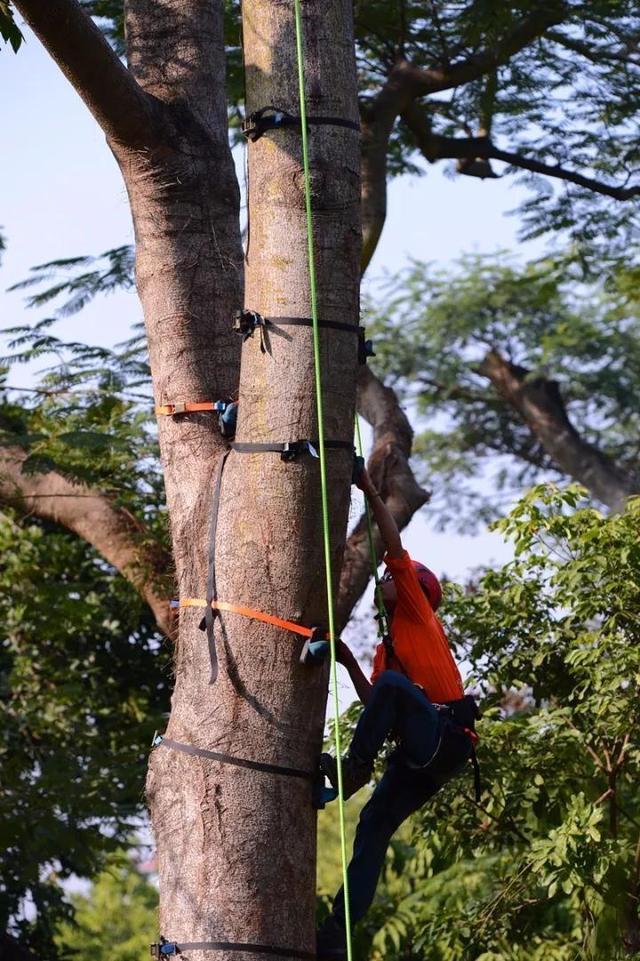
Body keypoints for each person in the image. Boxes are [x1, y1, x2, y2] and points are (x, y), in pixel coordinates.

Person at [316, 467, 479, 961]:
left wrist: (368, 489)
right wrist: (345, 660)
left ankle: (352, 770)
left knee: (391, 687)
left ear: (413, 588)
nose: (384, 580)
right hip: (422, 754)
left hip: (445, 736)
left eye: (391, 578)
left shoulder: (416, 609)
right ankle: (335, 938)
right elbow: (381, 705)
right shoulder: (389, 652)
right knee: (371, 830)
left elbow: (393, 547)